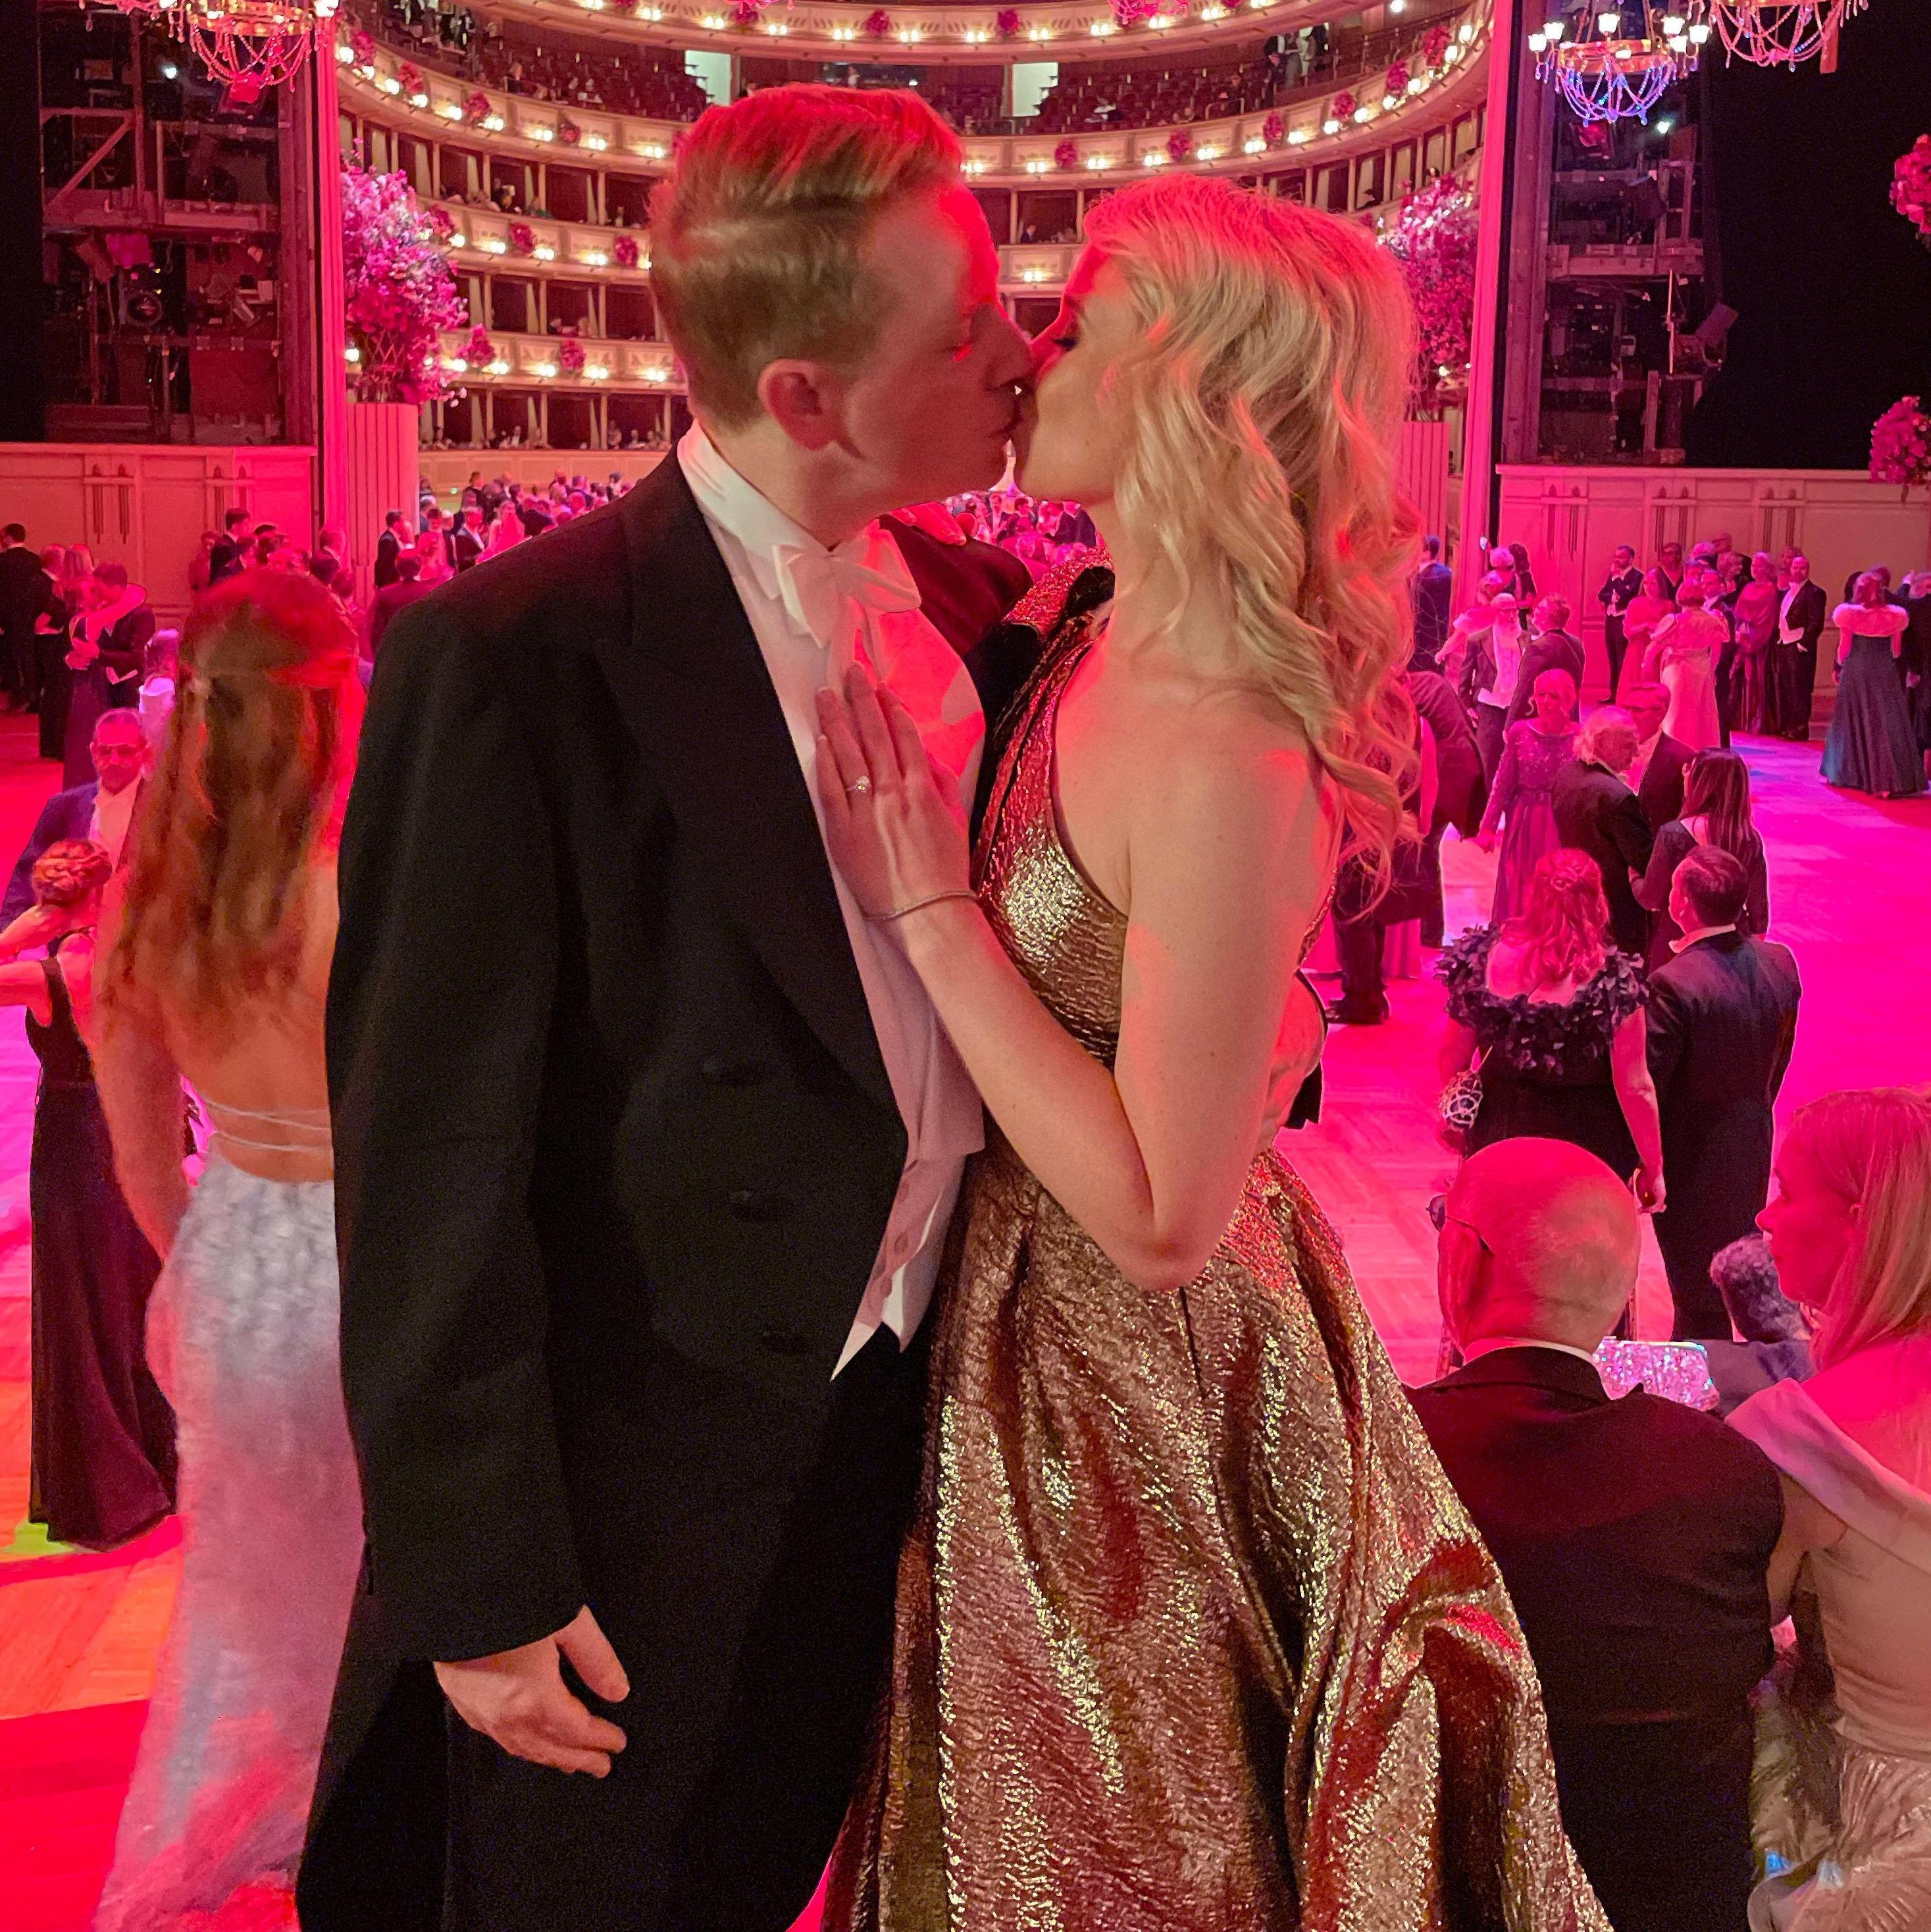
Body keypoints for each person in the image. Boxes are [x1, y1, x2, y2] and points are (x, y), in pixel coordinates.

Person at [301, 87, 1050, 1932]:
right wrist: (478, 1576)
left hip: (896, 1442)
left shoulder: (991, 616)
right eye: (964, 330)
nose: (1021, 354)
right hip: (622, 1493)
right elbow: (426, 1147)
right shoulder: (512, 656)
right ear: (806, 395)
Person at [815, 170, 1600, 1928]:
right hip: (1027, 1342)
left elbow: (1164, 1216)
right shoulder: (1086, 617)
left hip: (1135, 1397)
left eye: (1073, 319)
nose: (1030, 351)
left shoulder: (1226, 737)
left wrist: (931, 908)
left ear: (1186, 380)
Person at [91, 571, 368, 1927]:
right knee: (387, 1595)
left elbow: (143, 1159)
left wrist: (209, 1271)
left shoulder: (149, 897)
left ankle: (298, 1824)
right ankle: (372, 1835)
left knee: (255, 1603)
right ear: (332, 702)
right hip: (365, 1270)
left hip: (238, 1272)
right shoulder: (356, 885)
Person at [1412, 1138, 1783, 1932]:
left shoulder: (1386, 1455)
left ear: (1462, 1264)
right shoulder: (1724, 1470)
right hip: (1679, 1901)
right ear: (1620, 1294)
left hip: (1452, 1895)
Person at [1734, 1087, 1931, 1929]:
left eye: (1786, 1188)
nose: (1764, 1214)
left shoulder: (1797, 1438)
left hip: (1887, 1847)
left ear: (1860, 1221)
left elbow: (1729, 1630)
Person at [0, 841, 176, 1552]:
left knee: (78, 1306)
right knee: (128, 1295)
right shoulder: (131, 960)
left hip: (74, 1146)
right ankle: (158, 1467)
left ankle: (110, 1494)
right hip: (131, 1130)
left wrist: (17, 933)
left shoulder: (47, 974)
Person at [1438, 847, 1660, 1202]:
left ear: (1533, 897)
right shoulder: (1615, 980)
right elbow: (1635, 1087)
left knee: (1502, 1227)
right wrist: (1654, 1167)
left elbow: (1452, 1054)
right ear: (1598, 901)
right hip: (1586, 1146)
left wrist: (1456, 1116)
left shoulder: (1483, 957)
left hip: (1501, 1132)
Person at [1646, 845, 1801, 1339]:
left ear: (1683, 905)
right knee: (1738, 1279)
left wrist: (1645, 1160)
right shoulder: (1781, 962)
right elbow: (1781, 1055)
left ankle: (1705, 1380)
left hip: (1689, 1157)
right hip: (1752, 1138)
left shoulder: (1673, 984)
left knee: (1697, 1292)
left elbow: (1652, 1083)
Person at [1, 708, 149, 925]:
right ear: (93, 751)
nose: (114, 760)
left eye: (125, 752)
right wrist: (7, 931)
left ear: (144, 753)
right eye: (105, 751)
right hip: (70, 931)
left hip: (138, 930)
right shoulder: (64, 806)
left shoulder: (160, 809)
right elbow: (27, 875)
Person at [1634, 746, 1769, 968]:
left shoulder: (1673, 834)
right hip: (1733, 947)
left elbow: (1651, 898)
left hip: (1677, 945)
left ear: (1702, 784)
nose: (1685, 775)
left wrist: (1633, 877)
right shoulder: (1749, 839)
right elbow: (1759, 918)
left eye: (1691, 771)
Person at [1477, 667, 1578, 925]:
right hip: (1525, 819)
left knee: (1558, 882)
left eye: (1554, 696)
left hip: (1563, 819)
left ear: (1568, 700)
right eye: (1541, 694)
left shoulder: (1580, 735)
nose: (1545, 702)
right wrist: (1488, 827)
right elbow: (1502, 783)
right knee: (1520, 881)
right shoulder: (1520, 732)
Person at [1552, 706, 1653, 957]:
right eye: (1628, 745)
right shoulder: (1617, 797)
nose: (1637, 753)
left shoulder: (1566, 774)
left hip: (1575, 900)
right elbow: (1644, 860)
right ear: (1603, 744)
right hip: (1615, 912)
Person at [1822, 571, 1925, 798]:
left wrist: (1840, 667)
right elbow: (1896, 650)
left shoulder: (1849, 614)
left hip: (1857, 670)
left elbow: (1844, 648)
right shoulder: (1896, 615)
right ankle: (1888, 781)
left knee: (1853, 719)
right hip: (1884, 671)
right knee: (1886, 722)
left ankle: (1851, 774)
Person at [1405, 661, 1485, 947]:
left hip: (1446, 776)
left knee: (1423, 853)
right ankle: (1429, 932)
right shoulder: (1431, 682)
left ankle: (1426, 933)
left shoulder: (1410, 693)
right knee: (1427, 853)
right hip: (1464, 769)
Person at [61, 562, 153, 789]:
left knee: (126, 745)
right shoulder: (99, 615)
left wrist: (98, 654)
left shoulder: (140, 614)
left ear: (116, 588)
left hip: (127, 690)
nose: (96, 595)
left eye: (99, 589)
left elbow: (138, 659)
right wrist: (75, 659)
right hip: (100, 691)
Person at [1644, 565, 1725, 751]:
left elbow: (1653, 649)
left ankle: (1673, 749)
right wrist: (1712, 669)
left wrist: (1645, 666)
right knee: (1702, 713)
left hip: (1678, 668)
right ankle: (1701, 749)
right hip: (1702, 667)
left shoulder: (1677, 621)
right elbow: (1717, 648)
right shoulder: (1714, 619)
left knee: (1676, 712)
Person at [1470, 587, 1526, 781]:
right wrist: (1467, 706)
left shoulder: (1527, 638)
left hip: (1518, 707)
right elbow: (1465, 676)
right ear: (1495, 612)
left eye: (1514, 610)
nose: (1511, 616)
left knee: (1518, 763)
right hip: (1490, 705)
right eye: (1506, 611)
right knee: (1487, 760)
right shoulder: (1479, 640)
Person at [1772, 550, 1826, 742]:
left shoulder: (1816, 593)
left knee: (1800, 688)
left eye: (1803, 568)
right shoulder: (1788, 591)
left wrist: (1804, 644)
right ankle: (1788, 725)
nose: (1798, 571)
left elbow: (1816, 623)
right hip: (1784, 644)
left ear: (1808, 570)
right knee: (1786, 686)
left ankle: (1800, 728)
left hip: (1799, 646)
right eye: (1796, 567)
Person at [1506, 594, 1585, 727]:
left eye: (1539, 608)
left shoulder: (1538, 647)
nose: (1535, 610)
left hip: (1543, 720)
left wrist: (1510, 724)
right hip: (1569, 717)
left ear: (1547, 617)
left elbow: (1523, 689)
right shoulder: (1577, 643)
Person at [1624, 680, 1690, 830]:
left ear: (1660, 714)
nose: (1628, 716)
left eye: (1637, 710)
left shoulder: (1682, 758)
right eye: (1626, 708)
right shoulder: (1606, 748)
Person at [1730, 550, 1779, 733]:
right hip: (1744, 638)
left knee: (1757, 680)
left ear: (1767, 569)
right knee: (1742, 680)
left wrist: (1751, 635)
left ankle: (1756, 721)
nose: (1755, 569)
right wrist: (1740, 630)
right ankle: (1741, 720)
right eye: (1753, 566)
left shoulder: (1770, 589)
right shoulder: (1748, 587)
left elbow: (1767, 617)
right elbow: (1739, 611)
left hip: (1760, 642)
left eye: (1759, 566)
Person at [0, 521, 45, 714]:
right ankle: (33, 696)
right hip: (33, 617)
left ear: (8, 538)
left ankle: (17, 696)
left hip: (9, 618)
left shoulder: (2, 562)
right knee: (31, 658)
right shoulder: (35, 560)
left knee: (10, 658)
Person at [1615, 565, 1676, 702]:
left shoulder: (1668, 605)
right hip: (1637, 650)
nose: (1649, 587)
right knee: (1635, 685)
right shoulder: (1635, 603)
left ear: (1660, 586)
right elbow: (1628, 632)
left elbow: (1670, 632)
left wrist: (1657, 629)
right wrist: (1644, 626)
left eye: (1653, 583)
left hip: (1658, 651)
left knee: (1655, 688)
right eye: (1646, 583)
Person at [365, 550, 432, 660]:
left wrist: (378, 655)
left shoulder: (386, 594)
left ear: (398, 567)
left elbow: (378, 629)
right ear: (419, 566)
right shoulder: (429, 592)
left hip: (394, 650)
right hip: (421, 650)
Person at [1597, 542, 1643, 698]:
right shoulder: (1613, 576)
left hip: (1624, 620)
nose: (1617, 560)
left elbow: (1627, 596)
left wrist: (1617, 586)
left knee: (1622, 658)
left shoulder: (1637, 576)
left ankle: (1622, 694)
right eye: (1616, 557)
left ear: (1630, 558)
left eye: (1621, 557)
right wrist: (1613, 596)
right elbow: (1602, 595)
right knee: (1612, 658)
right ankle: (1613, 694)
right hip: (1610, 620)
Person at [1411, 530, 1453, 670]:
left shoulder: (1426, 577)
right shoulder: (1445, 571)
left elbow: (1416, 604)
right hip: (1440, 624)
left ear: (1427, 552)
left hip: (1424, 628)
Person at [206, 507, 251, 585]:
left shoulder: (230, 544)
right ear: (235, 526)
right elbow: (230, 576)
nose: (249, 527)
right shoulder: (225, 546)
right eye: (245, 524)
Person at [374, 509, 407, 589]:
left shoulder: (395, 538)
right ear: (396, 524)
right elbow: (382, 562)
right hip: (389, 582)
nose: (404, 525)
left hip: (394, 581)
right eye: (402, 522)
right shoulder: (388, 540)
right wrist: (379, 583)